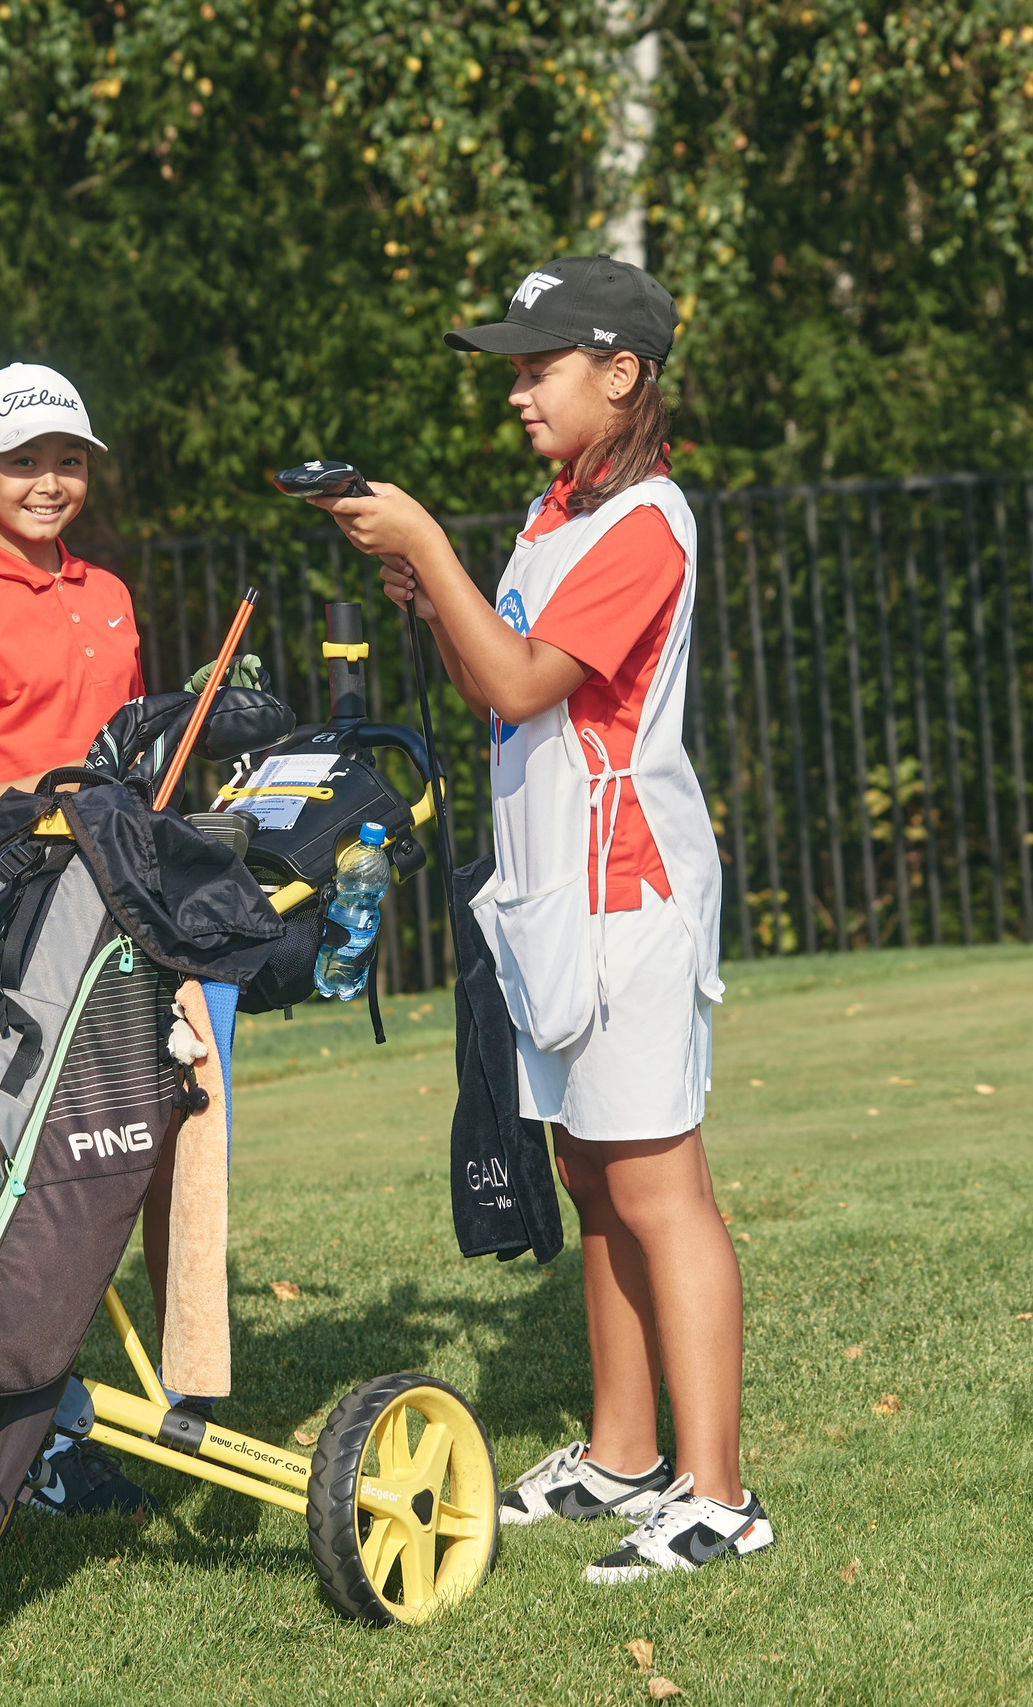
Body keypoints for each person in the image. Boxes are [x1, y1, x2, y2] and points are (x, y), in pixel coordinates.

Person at [307, 256, 770, 1583]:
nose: (517, 389)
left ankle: (720, 1491)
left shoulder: (646, 523)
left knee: (659, 1183)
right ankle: (625, 1455)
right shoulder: (556, 511)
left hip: (627, 888)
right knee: (586, 1174)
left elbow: (519, 676)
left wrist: (432, 555)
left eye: (539, 364)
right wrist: (432, 596)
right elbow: (500, 686)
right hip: (550, 886)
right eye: (513, 366)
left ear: (621, 372)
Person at [0, 361, 160, 1519]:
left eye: (67, 459)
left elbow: (137, 766)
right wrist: (64, 803)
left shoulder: (108, 591)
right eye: (21, 461)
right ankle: (34, 1430)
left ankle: (135, 1390)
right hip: (21, 937)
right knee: (28, 1184)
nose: (48, 481)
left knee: (121, 1158)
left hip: (125, 920)